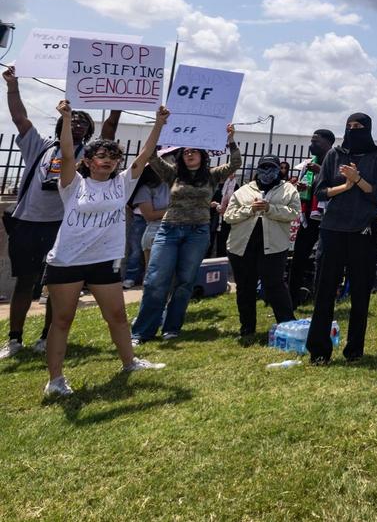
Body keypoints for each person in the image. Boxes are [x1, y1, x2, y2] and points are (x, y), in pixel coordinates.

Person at [41, 100, 167, 397]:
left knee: (118, 316)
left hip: (104, 261)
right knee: (62, 319)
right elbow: (68, 153)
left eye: (113, 156)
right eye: (101, 155)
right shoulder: (73, 184)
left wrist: (159, 123)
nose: (108, 161)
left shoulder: (122, 184)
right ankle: (55, 380)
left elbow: (145, 155)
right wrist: (68, 118)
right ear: (88, 161)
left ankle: (129, 362)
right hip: (67, 260)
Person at [1, 66, 120, 360]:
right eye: (73, 120)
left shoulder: (88, 157)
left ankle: (46, 336)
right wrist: (13, 86)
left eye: (83, 123)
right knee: (25, 282)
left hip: (62, 228)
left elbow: (110, 130)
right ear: (61, 123)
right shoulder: (39, 147)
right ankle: (14, 339)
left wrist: (120, 96)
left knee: (56, 286)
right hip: (28, 223)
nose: (77, 125)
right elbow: (19, 118)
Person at [131, 128, 242, 344]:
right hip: (169, 230)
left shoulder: (212, 175)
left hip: (197, 233)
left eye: (194, 151)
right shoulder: (173, 173)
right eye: (185, 152)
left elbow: (235, 163)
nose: (189, 154)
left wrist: (230, 140)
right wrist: (159, 128)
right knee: (156, 279)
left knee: (185, 282)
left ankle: (172, 328)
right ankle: (142, 331)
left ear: (202, 154)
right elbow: (151, 155)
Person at [304, 113, 377, 363]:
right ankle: (319, 350)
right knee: (325, 289)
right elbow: (320, 191)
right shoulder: (335, 154)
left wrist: (358, 180)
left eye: (358, 126)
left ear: (368, 129)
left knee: (360, 292)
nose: (353, 130)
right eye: (349, 126)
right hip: (333, 230)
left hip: (363, 231)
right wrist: (345, 187)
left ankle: (354, 349)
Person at [224, 155, 300, 340]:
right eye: (263, 167)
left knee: (275, 285)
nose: (267, 172)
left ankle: (287, 324)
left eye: (272, 168)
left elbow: (294, 213)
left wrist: (270, 208)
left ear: (279, 170)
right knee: (245, 287)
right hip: (242, 246)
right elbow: (228, 216)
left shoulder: (288, 190)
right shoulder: (243, 191)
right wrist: (250, 209)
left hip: (273, 247)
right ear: (257, 169)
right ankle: (247, 328)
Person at [289, 128, 335, 305]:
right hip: (309, 218)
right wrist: (301, 187)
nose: (312, 145)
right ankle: (292, 297)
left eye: (316, 142)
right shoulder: (309, 164)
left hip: (328, 218)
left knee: (325, 260)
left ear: (328, 143)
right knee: (299, 258)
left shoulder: (335, 160)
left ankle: (322, 297)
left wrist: (321, 170)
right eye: (311, 141)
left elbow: (340, 182)